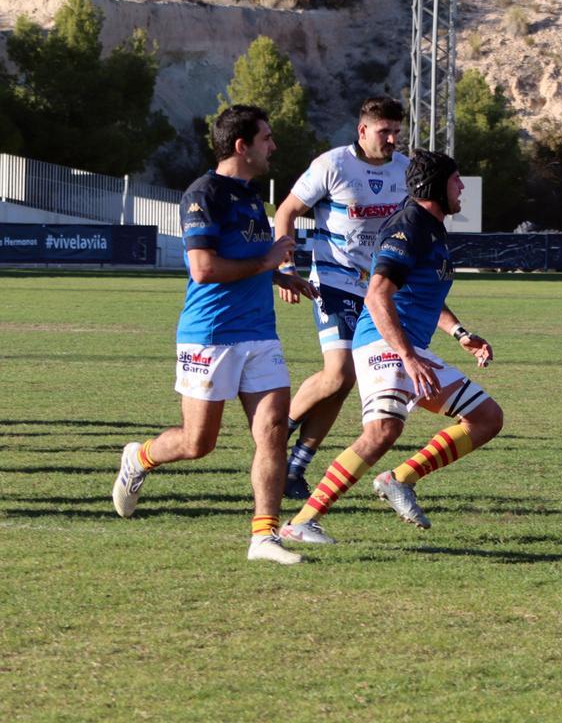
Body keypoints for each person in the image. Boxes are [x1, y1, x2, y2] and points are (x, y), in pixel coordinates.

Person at [111, 105, 319, 565]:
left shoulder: (250, 197)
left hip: (260, 334)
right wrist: (267, 264)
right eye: (266, 137)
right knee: (196, 443)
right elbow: (203, 270)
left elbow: (244, 260)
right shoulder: (202, 194)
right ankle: (140, 457)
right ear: (241, 146)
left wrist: (280, 278)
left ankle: (263, 537)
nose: (274, 145)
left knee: (271, 434)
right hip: (210, 335)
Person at [278, 149, 503, 544]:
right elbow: (378, 296)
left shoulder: (431, 228)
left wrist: (461, 334)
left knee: (486, 417)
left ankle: (399, 478)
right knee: (382, 431)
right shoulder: (408, 227)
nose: (462, 187)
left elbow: (425, 295)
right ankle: (301, 523)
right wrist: (408, 356)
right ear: (436, 187)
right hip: (384, 343)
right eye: (456, 180)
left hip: (408, 346)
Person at [273, 97, 410, 500]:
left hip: (380, 289)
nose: (391, 139)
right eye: (384, 131)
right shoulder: (332, 165)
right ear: (362, 130)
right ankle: (274, 433)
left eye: (396, 132)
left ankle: (295, 468)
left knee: (346, 381)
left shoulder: (405, 170)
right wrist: (287, 268)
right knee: (338, 373)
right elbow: (286, 212)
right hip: (334, 280)